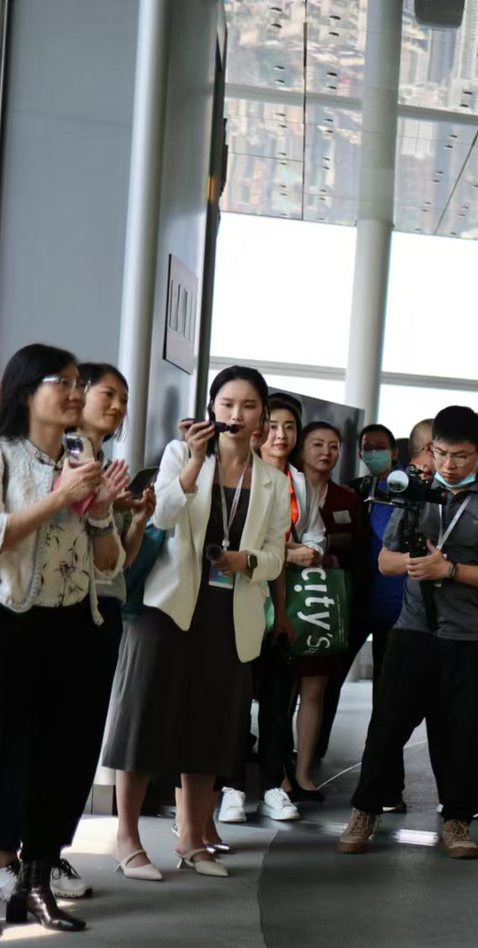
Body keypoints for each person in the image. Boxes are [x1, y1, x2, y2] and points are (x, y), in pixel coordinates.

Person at [0, 345, 129, 939]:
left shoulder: (82, 457)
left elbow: (109, 563)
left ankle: (34, 885)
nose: (77, 392)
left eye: (81, 382)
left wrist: (100, 512)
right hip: (1, 625)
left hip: (70, 625)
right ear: (26, 389)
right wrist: (61, 496)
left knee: (57, 760)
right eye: (65, 381)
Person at [99, 365, 291, 881]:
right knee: (143, 716)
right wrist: (195, 462)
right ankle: (127, 838)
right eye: (227, 404)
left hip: (229, 609)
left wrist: (247, 561)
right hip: (166, 604)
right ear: (211, 408)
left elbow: (277, 556)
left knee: (211, 722)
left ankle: (191, 838)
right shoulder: (179, 454)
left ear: (262, 416)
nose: (236, 414)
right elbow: (161, 516)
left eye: (248, 406)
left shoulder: (273, 481)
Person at [338, 406, 478, 859]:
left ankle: (457, 822)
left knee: (463, 734)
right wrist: (416, 564)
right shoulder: (415, 496)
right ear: (429, 448)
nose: (449, 464)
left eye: (460, 455)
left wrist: (450, 569)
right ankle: (364, 812)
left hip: (474, 637)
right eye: (440, 453)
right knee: (387, 727)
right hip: (414, 628)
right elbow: (386, 562)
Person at [243, 395, 326, 824]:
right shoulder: (241, 471)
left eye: (290, 427)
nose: (281, 435)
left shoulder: (299, 481)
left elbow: (315, 535)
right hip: (244, 596)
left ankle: (274, 786)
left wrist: (304, 552)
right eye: (273, 426)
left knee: (279, 699)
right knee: (237, 699)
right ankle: (231, 787)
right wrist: (284, 552)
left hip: (286, 601)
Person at [312, 423, 404, 807]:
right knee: (327, 679)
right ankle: (311, 752)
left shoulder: (404, 490)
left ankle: (385, 779)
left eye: (381, 447)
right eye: (368, 447)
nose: (374, 453)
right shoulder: (351, 490)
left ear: (395, 452)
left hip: (392, 603)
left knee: (389, 693)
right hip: (350, 599)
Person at [286, 421, 364, 802]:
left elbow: (359, 548)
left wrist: (327, 551)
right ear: (302, 448)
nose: (326, 452)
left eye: (333, 446)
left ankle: (304, 772)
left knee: (315, 688)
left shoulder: (347, 498)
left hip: (324, 602)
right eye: (317, 444)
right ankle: (279, 770)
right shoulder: (282, 486)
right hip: (285, 599)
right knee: (282, 692)